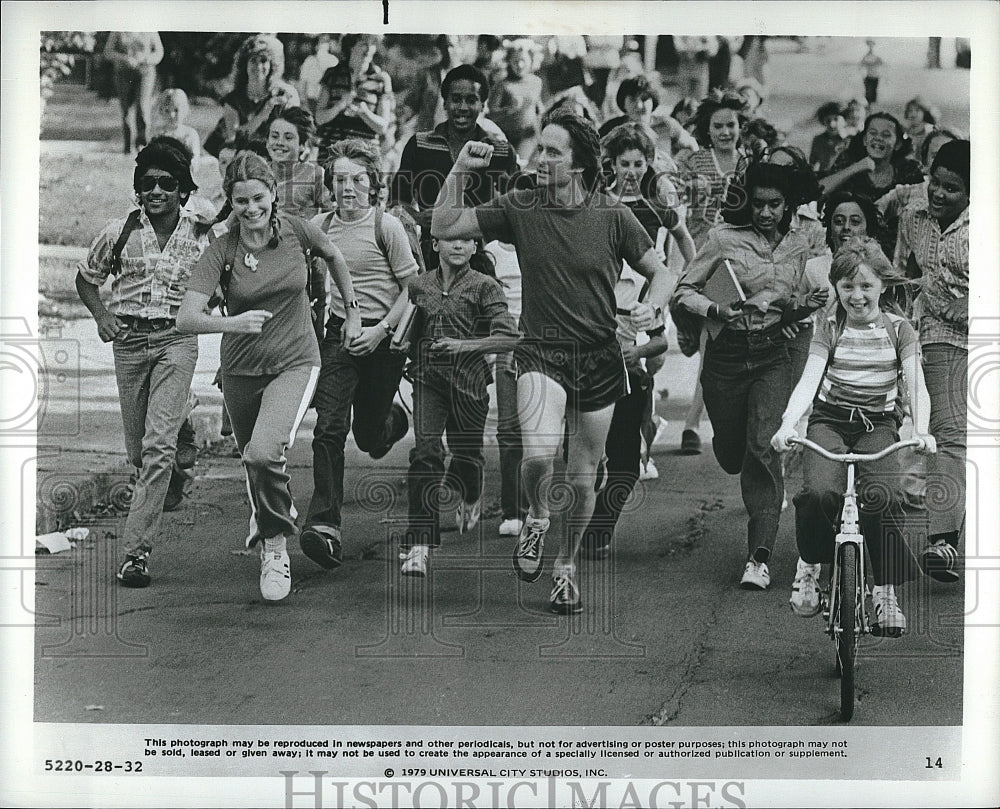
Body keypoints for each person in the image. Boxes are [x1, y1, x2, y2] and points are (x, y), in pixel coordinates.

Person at [431, 108, 676, 614]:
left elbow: (662, 270)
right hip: (541, 351)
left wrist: (656, 299)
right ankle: (537, 519)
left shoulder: (612, 214)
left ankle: (566, 567)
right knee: (540, 454)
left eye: (552, 151)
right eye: (538, 148)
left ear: (580, 163)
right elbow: (445, 223)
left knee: (584, 479)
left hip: (600, 357)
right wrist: (459, 169)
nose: (539, 158)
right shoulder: (521, 204)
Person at [176, 153, 361, 602]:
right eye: (241, 201)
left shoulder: (297, 231)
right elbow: (186, 317)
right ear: (231, 202)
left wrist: (350, 311)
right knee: (252, 462)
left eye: (258, 198)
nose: (251, 209)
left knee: (263, 452)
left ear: (273, 194)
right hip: (240, 367)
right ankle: (272, 519)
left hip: (296, 360)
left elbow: (334, 255)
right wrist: (231, 324)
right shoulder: (222, 248)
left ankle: (274, 544)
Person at [671, 161, 825, 590]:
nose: (766, 212)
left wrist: (809, 304)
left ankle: (759, 555)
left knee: (763, 445)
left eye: (775, 204)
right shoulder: (722, 238)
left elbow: (812, 287)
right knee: (733, 450)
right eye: (759, 204)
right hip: (726, 356)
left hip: (774, 353)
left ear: (789, 205)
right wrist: (714, 310)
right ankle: (729, 444)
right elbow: (684, 290)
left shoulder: (804, 241)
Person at [772, 237, 935, 635]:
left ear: (882, 285)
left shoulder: (900, 330)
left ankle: (884, 591)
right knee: (819, 493)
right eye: (847, 287)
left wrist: (922, 430)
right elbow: (809, 380)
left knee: (885, 496)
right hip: (829, 420)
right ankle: (809, 564)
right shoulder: (830, 326)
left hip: (878, 425)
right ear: (836, 288)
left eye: (865, 286)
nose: (856, 296)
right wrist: (788, 423)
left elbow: (917, 386)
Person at [75, 137, 206, 587]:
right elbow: (86, 279)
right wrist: (101, 316)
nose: (156, 192)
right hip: (129, 342)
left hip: (176, 339)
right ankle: (181, 424)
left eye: (167, 184)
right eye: (147, 183)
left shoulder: (202, 230)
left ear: (183, 189)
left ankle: (135, 554)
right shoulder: (119, 232)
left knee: (156, 451)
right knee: (141, 451)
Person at [298, 138, 419, 569]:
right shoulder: (320, 226)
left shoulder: (386, 227)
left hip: (384, 338)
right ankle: (325, 525)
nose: (347, 188)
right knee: (329, 426)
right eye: (340, 179)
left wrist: (381, 330)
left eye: (357, 179)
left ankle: (391, 423)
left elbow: (413, 288)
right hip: (339, 335)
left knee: (368, 436)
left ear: (373, 184)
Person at [398, 239, 519, 577]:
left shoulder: (486, 286)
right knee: (426, 453)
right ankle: (419, 544)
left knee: (466, 458)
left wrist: (463, 346)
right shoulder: (419, 285)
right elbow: (411, 332)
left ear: (475, 245)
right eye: (451, 238)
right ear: (435, 243)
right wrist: (404, 349)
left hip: (471, 384)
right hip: (428, 381)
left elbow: (508, 339)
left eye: (467, 239)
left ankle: (471, 493)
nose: (459, 245)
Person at [894, 140, 970, 584]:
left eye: (952, 189)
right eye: (935, 183)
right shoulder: (914, 215)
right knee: (950, 432)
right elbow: (903, 271)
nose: (939, 194)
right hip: (941, 336)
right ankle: (943, 540)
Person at [390, 64, 518, 268]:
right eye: (456, 99)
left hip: (479, 258)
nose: (463, 107)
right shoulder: (419, 145)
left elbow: (517, 206)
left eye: (471, 100)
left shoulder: (500, 151)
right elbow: (396, 201)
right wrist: (418, 217)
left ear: (483, 105)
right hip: (429, 255)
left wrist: (480, 221)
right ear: (445, 104)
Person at [677, 91, 748, 455]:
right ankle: (684, 329)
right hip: (697, 257)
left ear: (740, 128)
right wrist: (692, 190)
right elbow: (670, 197)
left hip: (734, 263)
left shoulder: (749, 163)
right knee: (697, 340)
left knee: (712, 343)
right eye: (718, 126)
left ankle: (691, 424)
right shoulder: (693, 162)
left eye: (730, 125)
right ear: (707, 128)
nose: (725, 132)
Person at [821, 112, 924, 258]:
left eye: (886, 135)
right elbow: (818, 191)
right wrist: (857, 167)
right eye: (873, 133)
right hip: (850, 250)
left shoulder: (909, 171)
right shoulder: (848, 161)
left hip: (895, 253)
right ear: (864, 139)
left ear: (898, 144)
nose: (878, 138)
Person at [485, 238, 528, 536]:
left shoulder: (542, 242)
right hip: (506, 347)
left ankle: (537, 506)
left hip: (543, 342)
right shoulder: (490, 252)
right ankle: (513, 509)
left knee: (543, 430)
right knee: (509, 429)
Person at [203, 34, 299, 158]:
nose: (258, 66)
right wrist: (264, 112)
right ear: (245, 64)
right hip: (242, 160)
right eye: (253, 60)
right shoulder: (233, 99)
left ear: (272, 66)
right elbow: (235, 139)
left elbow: (295, 133)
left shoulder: (282, 94)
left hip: (274, 159)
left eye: (264, 60)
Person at [315, 34, 394, 160]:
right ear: (351, 46)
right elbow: (319, 118)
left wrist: (364, 113)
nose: (368, 49)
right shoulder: (332, 74)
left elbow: (383, 126)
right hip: (331, 155)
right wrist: (340, 105)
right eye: (363, 44)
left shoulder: (381, 79)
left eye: (372, 44)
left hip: (363, 157)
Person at [597, 75, 699, 164]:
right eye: (632, 99)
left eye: (644, 99)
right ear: (623, 103)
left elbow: (693, 146)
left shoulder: (667, 125)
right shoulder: (612, 128)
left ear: (653, 100)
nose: (639, 105)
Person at [265, 105, 332, 218]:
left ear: (303, 144)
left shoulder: (314, 175)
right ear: (267, 141)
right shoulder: (256, 172)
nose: (279, 142)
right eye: (275, 136)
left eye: (288, 138)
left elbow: (332, 215)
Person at [103, 31, 164, 153]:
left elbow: (159, 52)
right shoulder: (118, 29)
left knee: (142, 107)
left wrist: (146, 58)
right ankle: (127, 146)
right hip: (123, 73)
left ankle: (142, 144)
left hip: (145, 72)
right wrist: (124, 58)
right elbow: (108, 52)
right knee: (126, 110)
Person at [487, 39, 544, 163]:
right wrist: (509, 110)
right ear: (509, 61)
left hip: (528, 135)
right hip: (505, 136)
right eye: (516, 61)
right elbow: (491, 115)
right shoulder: (502, 85)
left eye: (523, 61)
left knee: (521, 165)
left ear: (531, 61)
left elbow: (538, 107)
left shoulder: (536, 82)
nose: (520, 65)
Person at [154, 88, 201, 165]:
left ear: (185, 110)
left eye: (176, 110)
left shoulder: (190, 134)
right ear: (160, 111)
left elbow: (195, 162)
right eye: (167, 110)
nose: (171, 115)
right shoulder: (157, 134)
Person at [297, 34, 339, 115]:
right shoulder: (309, 60)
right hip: (311, 98)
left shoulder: (333, 61)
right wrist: (303, 99)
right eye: (320, 42)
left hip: (327, 100)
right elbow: (303, 80)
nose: (322, 45)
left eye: (325, 42)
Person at [808, 101, 847, 176]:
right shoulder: (818, 140)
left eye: (836, 119)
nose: (832, 124)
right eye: (828, 121)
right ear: (823, 122)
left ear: (844, 120)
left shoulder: (851, 140)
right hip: (825, 179)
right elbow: (811, 164)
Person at [903, 96, 937, 164]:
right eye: (910, 110)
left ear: (925, 112)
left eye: (917, 110)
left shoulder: (931, 130)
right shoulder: (906, 132)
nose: (913, 114)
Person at [859, 39, 884, 105]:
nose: (871, 47)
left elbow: (881, 63)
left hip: (875, 76)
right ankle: (869, 104)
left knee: (873, 91)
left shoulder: (876, 57)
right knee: (868, 91)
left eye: (871, 45)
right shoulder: (866, 57)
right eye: (869, 45)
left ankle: (872, 104)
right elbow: (861, 65)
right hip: (869, 76)